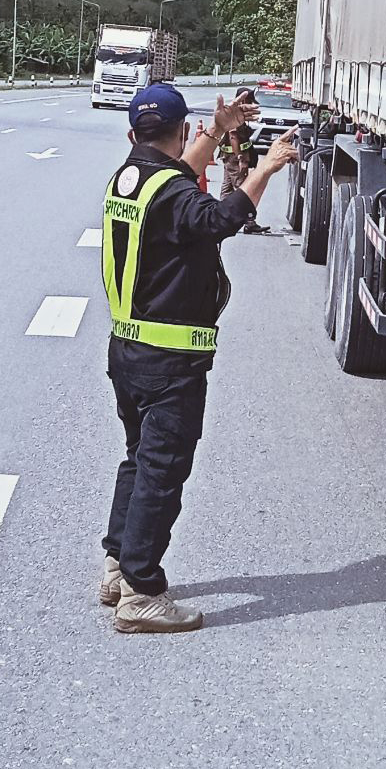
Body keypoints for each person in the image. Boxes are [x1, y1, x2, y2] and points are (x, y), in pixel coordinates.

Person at [98, 80, 298, 634]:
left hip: (128, 350)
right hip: (170, 361)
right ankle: (141, 592)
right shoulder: (173, 194)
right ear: (180, 130)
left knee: (138, 460)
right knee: (161, 472)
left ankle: (117, 567)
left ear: (133, 135)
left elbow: (177, 178)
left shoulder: (131, 178)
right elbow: (219, 217)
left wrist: (218, 130)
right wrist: (267, 168)